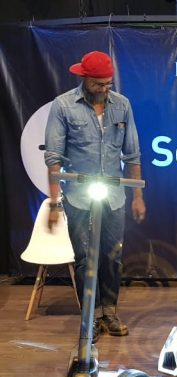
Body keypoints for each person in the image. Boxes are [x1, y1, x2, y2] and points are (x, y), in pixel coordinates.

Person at [44, 51, 145, 342]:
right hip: (78, 194)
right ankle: (91, 316)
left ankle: (110, 312)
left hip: (113, 194)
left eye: (108, 84)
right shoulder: (63, 105)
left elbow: (133, 154)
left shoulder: (122, 105)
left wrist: (137, 197)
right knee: (84, 257)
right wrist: (54, 203)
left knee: (113, 255)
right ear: (84, 79)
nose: (104, 89)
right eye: (98, 84)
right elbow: (54, 158)